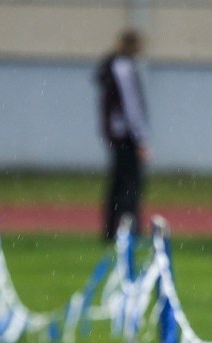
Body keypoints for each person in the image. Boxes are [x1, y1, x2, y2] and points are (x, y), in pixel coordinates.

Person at [95, 29, 150, 242]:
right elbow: (131, 106)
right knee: (130, 185)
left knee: (117, 184)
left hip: (116, 135)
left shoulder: (111, 66)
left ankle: (111, 230)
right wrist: (141, 139)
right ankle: (129, 230)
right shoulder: (124, 68)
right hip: (126, 136)